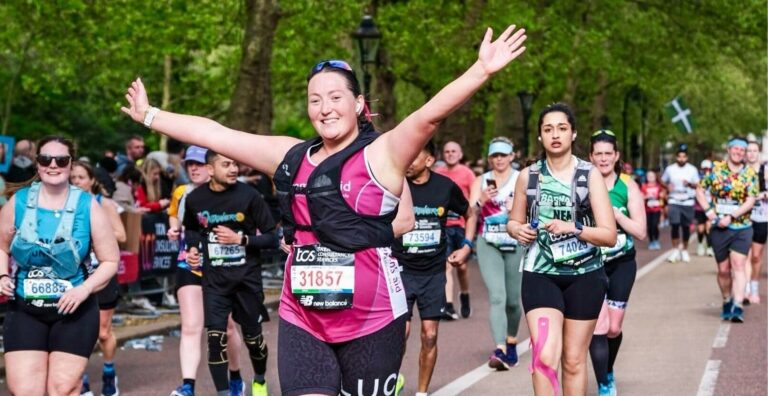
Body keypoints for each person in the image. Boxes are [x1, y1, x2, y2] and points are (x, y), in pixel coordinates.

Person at [121, 24, 526, 396]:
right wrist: (150, 115)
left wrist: (481, 70)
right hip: (303, 318)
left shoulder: (381, 154)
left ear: (358, 104)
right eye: (315, 100)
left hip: (373, 318)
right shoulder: (290, 155)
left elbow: (428, 115)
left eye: (335, 98)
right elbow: (217, 134)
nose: (325, 108)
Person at [507, 103, 616, 396]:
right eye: (548, 129)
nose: (555, 134)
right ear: (540, 138)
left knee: (573, 360)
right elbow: (513, 221)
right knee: (544, 357)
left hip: (586, 276)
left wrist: (576, 229)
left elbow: (609, 235)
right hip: (541, 273)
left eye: (562, 128)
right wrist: (518, 229)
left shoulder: (588, 175)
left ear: (573, 133)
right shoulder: (528, 176)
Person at [0, 136, 120, 396]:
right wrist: (1, 275)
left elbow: (111, 261)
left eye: (61, 160)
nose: (53, 165)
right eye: (45, 159)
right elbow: (1, 246)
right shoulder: (18, 202)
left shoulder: (88, 206)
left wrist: (84, 290)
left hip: (74, 311)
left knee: (62, 389)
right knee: (23, 391)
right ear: (37, 164)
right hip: (26, 308)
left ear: (70, 164)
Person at [181, 150, 278, 396]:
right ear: (211, 169)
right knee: (216, 339)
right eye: (226, 165)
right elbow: (192, 229)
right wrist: (192, 249)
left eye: (235, 164)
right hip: (215, 281)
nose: (234, 169)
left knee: (253, 340)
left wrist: (241, 239)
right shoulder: (195, 199)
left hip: (247, 279)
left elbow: (272, 237)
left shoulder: (250, 196)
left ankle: (259, 380)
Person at [392, 140, 474, 396]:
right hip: (400, 271)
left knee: (429, 336)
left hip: (433, 273)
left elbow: (470, 213)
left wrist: (467, 246)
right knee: (398, 335)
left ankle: (422, 392)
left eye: (414, 156)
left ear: (429, 160)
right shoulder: (395, 186)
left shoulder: (445, 187)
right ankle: (391, 380)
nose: (408, 160)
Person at [167, 146, 245, 396]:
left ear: (212, 168)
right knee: (191, 326)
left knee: (227, 327)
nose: (193, 168)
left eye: (198, 164)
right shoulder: (182, 192)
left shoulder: (233, 193)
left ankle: (235, 377)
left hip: (223, 266)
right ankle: (187, 385)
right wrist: (173, 230)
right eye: (189, 164)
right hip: (189, 263)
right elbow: (174, 217)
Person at [588, 130, 647, 396]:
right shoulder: (582, 184)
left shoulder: (628, 186)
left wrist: (615, 216)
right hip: (591, 264)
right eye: (598, 154)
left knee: (613, 328)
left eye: (607, 154)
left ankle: (608, 369)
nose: (603, 159)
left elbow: (641, 231)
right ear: (591, 156)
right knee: (598, 327)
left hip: (622, 262)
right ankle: (603, 383)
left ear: (616, 156)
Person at [70, 161, 127, 396]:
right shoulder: (65, 205)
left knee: (102, 332)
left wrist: (94, 233)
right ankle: (80, 380)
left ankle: (108, 372)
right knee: (76, 332)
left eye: (81, 177)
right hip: (75, 275)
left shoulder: (104, 204)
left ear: (92, 180)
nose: (76, 182)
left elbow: (121, 235)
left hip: (102, 273)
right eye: (72, 178)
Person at [467, 137, 524, 370]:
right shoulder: (481, 181)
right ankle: (500, 349)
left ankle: (511, 340)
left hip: (516, 242)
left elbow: (536, 210)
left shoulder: (521, 178)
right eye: (495, 155)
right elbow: (469, 212)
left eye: (503, 155)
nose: (499, 159)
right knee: (497, 297)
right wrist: (480, 201)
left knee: (512, 301)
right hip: (488, 243)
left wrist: (518, 208)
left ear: (512, 156)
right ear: (490, 158)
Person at [697, 137, 758, 323]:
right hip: (719, 229)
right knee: (723, 270)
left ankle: (737, 306)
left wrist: (731, 216)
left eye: (743, 150)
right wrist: (709, 212)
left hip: (742, 227)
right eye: (736, 149)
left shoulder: (750, 174)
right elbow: (700, 190)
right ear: (729, 150)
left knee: (739, 265)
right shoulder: (716, 171)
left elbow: (751, 200)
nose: (739, 152)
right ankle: (726, 299)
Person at [434, 140, 476, 319]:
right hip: (443, 227)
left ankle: (465, 294)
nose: (450, 154)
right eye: (447, 151)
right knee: (446, 265)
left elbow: (472, 204)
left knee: (462, 267)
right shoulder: (437, 173)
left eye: (454, 151)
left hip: (461, 226)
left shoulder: (468, 174)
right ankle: (448, 305)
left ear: (460, 154)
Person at [661, 145, 700, 262]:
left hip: (688, 200)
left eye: (684, 157)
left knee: (686, 227)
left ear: (687, 157)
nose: (681, 159)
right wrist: (667, 186)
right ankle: (675, 250)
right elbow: (662, 180)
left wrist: (689, 184)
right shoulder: (670, 169)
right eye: (679, 157)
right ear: (676, 157)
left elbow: (698, 184)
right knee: (674, 225)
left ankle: (684, 250)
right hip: (674, 200)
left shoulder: (692, 169)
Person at [746, 141, 766, 304]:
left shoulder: (766, 170)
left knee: (756, 256)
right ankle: (744, 287)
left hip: (762, 216)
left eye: (754, 150)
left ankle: (754, 287)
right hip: (744, 217)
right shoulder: (741, 171)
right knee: (743, 255)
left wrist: (764, 194)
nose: (751, 153)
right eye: (749, 151)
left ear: (759, 152)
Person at [694, 160, 714, 256]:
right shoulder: (698, 179)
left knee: (709, 227)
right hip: (699, 208)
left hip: (711, 206)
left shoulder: (714, 178)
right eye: (705, 169)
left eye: (709, 169)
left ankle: (710, 247)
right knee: (701, 229)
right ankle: (700, 244)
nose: (707, 171)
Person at [641, 169, 664, 250]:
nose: (650, 178)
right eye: (648, 176)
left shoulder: (659, 186)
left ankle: (656, 240)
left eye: (652, 176)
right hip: (647, 210)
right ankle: (651, 241)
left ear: (655, 177)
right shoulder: (644, 186)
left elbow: (662, 199)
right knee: (649, 226)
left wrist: (661, 205)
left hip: (656, 209)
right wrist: (646, 197)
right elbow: (641, 198)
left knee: (655, 225)